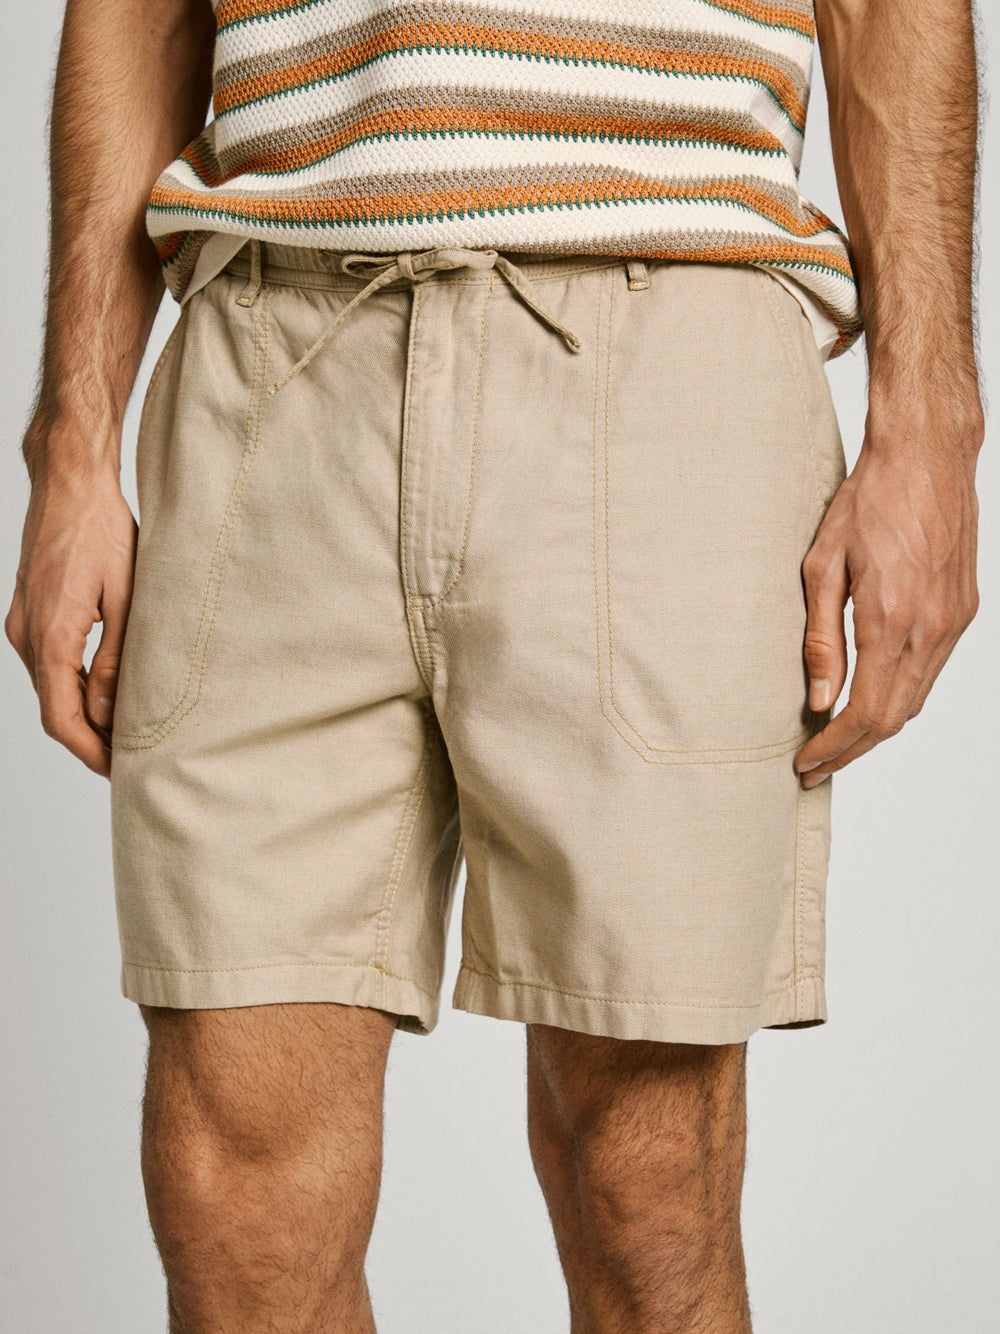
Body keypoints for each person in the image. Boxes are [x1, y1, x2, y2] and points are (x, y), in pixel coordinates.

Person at [6, 0, 984, 1329]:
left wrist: (932, 422)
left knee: (647, 1184)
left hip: (667, 327)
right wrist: (73, 442)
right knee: (233, 1203)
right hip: (276, 350)